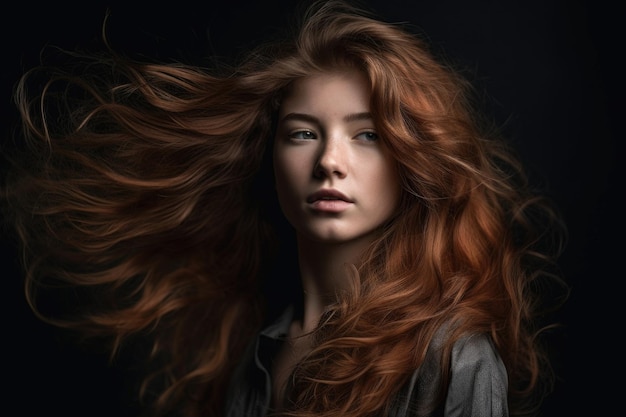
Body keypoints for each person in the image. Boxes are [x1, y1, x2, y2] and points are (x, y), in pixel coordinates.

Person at [1, 1, 568, 416]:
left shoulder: (452, 359)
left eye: (367, 136)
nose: (330, 162)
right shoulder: (256, 354)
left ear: (412, 161)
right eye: (302, 134)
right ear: (269, 156)